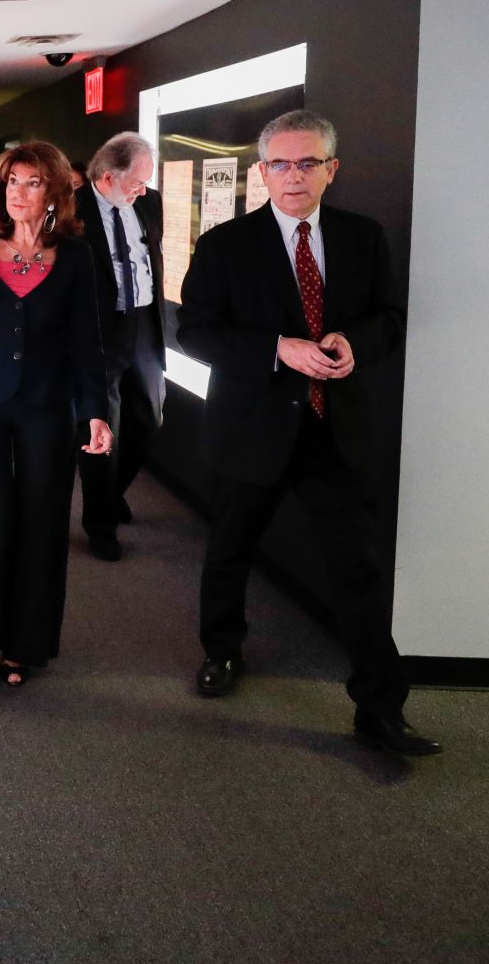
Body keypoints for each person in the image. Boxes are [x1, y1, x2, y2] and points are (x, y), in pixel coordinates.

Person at [177, 110, 437, 755]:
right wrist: (276, 350)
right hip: (252, 429)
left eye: (308, 162)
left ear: (331, 169)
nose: (294, 176)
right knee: (230, 550)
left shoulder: (362, 237)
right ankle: (222, 652)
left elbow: (390, 318)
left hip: (335, 429)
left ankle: (380, 707)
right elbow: (195, 331)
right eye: (281, 164)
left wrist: (356, 342)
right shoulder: (225, 245)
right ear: (262, 171)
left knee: (357, 569)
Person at [0, 141, 110, 686]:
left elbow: (87, 341)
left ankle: (25, 645)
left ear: (54, 191)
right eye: (11, 182)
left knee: (41, 525)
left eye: (32, 183)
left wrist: (96, 410)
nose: (18, 193)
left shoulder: (76, 257)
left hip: (46, 406)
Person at [75, 133, 165, 560]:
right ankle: (100, 523)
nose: (142, 191)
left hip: (144, 323)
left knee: (149, 417)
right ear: (107, 177)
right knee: (100, 428)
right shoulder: (71, 209)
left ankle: (113, 492)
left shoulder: (149, 203)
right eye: (135, 183)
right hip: (98, 328)